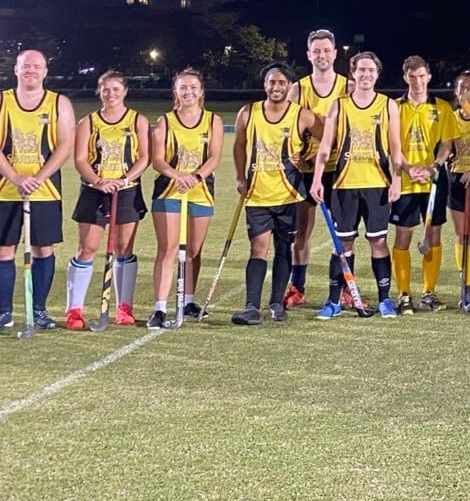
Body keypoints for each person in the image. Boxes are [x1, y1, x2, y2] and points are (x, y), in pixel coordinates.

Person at [0, 49, 77, 333]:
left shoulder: (60, 103)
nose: (31, 70)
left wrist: (38, 178)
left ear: (46, 71)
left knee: (43, 248)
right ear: (16, 69)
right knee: (4, 249)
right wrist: (15, 177)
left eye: (37, 66)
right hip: (6, 190)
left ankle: (40, 311)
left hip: (44, 190)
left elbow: (64, 146)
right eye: (26, 66)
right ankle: (3, 313)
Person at [310, 52, 403, 319]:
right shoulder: (339, 106)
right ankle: (333, 301)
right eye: (361, 70)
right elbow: (326, 146)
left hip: (378, 185)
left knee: (379, 242)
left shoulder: (388, 106)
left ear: (377, 73)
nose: (365, 75)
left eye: (370, 70)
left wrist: (396, 178)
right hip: (344, 185)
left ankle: (385, 300)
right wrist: (317, 178)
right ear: (353, 73)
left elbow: (395, 146)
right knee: (343, 244)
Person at [230, 64, 317, 325]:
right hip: (257, 194)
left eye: (281, 83)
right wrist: (239, 176)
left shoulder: (301, 115)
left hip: (288, 195)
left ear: (290, 86)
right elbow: (239, 145)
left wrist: (309, 156)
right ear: (265, 85)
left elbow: (328, 136)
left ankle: (277, 303)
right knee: (258, 247)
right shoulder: (248, 113)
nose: (276, 87)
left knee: (284, 248)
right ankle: (251, 306)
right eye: (271, 82)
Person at [66, 71, 149, 330]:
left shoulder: (138, 120)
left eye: (116, 89)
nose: (110, 93)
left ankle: (124, 307)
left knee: (124, 249)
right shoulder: (88, 122)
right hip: (94, 190)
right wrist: (99, 181)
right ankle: (74, 310)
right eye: (106, 89)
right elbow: (80, 159)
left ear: (125, 91)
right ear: (99, 91)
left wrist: (123, 180)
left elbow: (144, 158)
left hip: (126, 190)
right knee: (87, 248)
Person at [148, 68, 223, 328]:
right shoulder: (165, 121)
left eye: (193, 87)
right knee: (168, 249)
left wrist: (196, 177)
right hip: (170, 190)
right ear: (176, 92)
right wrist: (177, 175)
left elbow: (214, 157)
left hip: (200, 190)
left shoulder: (212, 120)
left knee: (193, 250)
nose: (188, 92)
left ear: (201, 91)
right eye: (183, 87)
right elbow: (157, 160)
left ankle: (188, 300)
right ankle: (159, 307)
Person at [287, 29, 348, 307]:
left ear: (335, 54)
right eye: (317, 51)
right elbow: (287, 128)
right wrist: (293, 154)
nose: (322, 55)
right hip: (306, 170)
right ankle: (297, 288)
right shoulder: (298, 89)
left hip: (339, 169)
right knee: (301, 233)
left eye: (327, 50)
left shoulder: (347, 87)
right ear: (309, 54)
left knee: (344, 233)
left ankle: (346, 287)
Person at [391, 56, 454, 313]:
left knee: (433, 235)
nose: (417, 81)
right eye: (412, 76)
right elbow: (392, 145)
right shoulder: (394, 107)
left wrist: (434, 166)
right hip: (405, 181)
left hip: (434, 181)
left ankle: (429, 292)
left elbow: (447, 145)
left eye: (421, 76)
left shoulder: (442, 108)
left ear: (428, 76)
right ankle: (403, 293)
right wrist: (409, 168)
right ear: (405, 77)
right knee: (403, 235)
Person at [443, 69, 470, 310]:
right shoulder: (450, 117)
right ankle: (467, 285)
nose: (465, 91)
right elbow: (447, 146)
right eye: (461, 86)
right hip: (456, 180)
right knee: (461, 234)